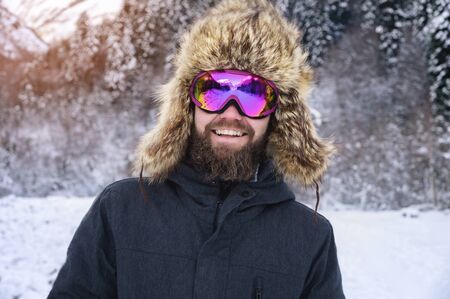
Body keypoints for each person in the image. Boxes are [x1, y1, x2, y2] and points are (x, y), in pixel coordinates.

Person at [48, 0, 345, 298]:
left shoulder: (310, 237)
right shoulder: (120, 209)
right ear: (186, 105)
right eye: (213, 91)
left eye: (253, 95)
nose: (231, 112)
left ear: (278, 115)